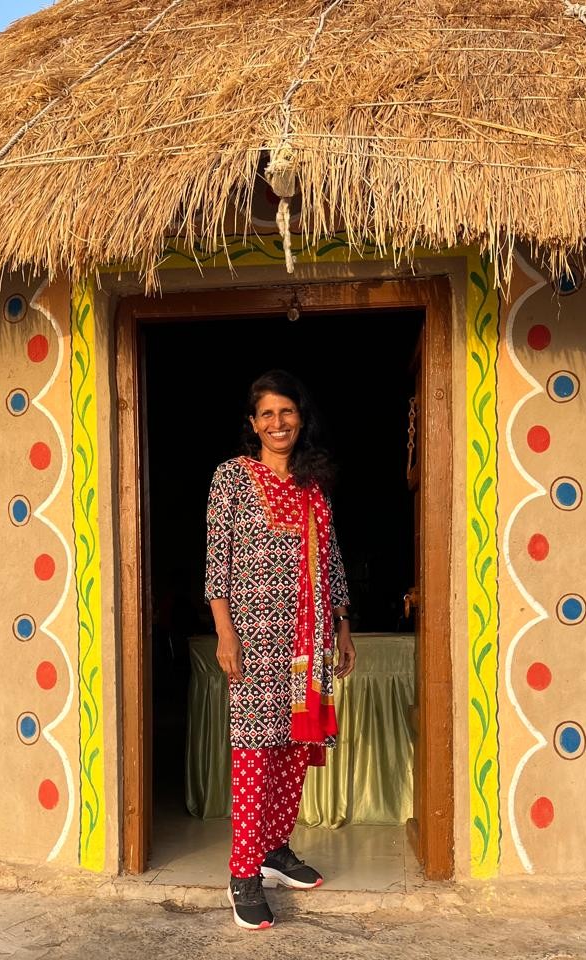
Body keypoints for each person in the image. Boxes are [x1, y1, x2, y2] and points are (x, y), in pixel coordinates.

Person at [205, 369, 355, 930]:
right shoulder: (233, 479)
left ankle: (273, 849)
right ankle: (242, 873)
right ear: (253, 424)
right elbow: (216, 559)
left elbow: (331, 557)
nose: (277, 423)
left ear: (301, 417)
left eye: (286, 412)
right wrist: (225, 631)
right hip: (255, 642)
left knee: (293, 748)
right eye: (266, 414)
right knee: (254, 752)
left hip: (308, 641)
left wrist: (342, 624)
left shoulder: (313, 485)